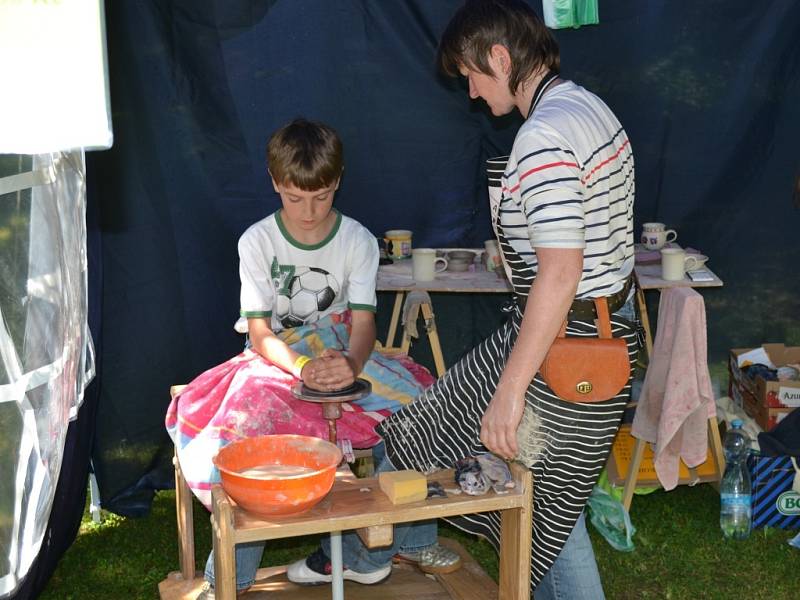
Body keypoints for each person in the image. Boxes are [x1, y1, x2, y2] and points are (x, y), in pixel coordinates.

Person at [293, 2, 639, 598]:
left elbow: (560, 274)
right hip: (596, 334)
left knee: (535, 514)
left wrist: (507, 396)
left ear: (501, 58)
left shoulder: (544, 134)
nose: (474, 93)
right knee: (534, 495)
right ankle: (378, 549)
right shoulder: (587, 107)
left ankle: (376, 548)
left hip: (570, 347)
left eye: (474, 76)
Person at [166, 118, 449, 599]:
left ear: (337, 181)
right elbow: (259, 333)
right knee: (250, 422)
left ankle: (391, 546)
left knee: (418, 405)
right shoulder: (256, 241)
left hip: (342, 346)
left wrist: (352, 366)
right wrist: (300, 368)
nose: (309, 212)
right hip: (276, 352)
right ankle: (229, 576)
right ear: (276, 183)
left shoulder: (357, 239)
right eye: (295, 198)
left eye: (320, 197)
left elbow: (363, 325)